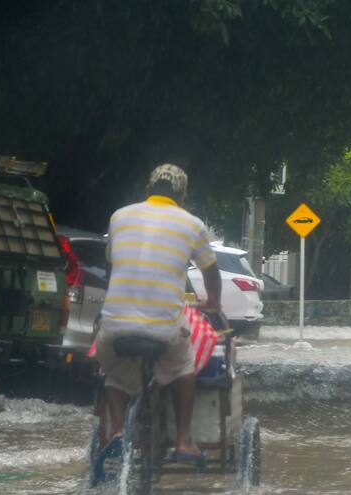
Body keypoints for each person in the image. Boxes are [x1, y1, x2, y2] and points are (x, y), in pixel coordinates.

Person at [94, 163, 222, 466]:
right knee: (183, 364)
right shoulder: (192, 225)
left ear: (148, 189)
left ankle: (117, 432)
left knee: (113, 371)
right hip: (164, 330)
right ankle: (184, 441)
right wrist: (213, 302)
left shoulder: (119, 217)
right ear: (182, 196)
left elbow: (112, 268)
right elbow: (211, 272)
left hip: (114, 326)